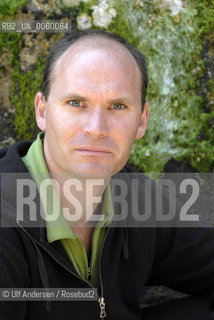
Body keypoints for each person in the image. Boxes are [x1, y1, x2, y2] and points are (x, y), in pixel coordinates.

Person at [0, 29, 214, 320]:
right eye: (76, 103)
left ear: (142, 120)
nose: (97, 127)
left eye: (117, 106)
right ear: (42, 111)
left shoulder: (136, 198)